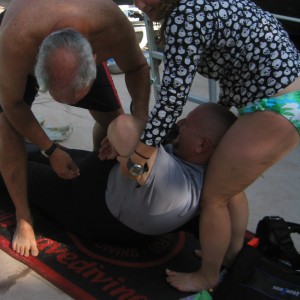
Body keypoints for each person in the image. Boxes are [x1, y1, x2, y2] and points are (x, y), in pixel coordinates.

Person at [101, 0, 300, 293]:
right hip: (279, 98)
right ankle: (230, 256)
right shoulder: (200, 4)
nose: (141, 5)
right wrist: (221, 114)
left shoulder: (185, 14)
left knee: (215, 197)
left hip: (275, 106)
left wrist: (141, 155)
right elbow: (238, 64)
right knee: (230, 186)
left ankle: (208, 276)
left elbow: (171, 99)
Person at [0, 0, 150, 257]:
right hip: (18, 39)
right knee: (5, 126)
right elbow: (12, 104)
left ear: (94, 58)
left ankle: (93, 179)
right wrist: (50, 149)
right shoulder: (17, 39)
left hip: (77, 41)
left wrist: (137, 122)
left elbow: (137, 67)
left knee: (115, 122)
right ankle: (24, 216)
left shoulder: (111, 24)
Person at [25, 103, 236, 244]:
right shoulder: (213, 174)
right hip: (106, 180)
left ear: (201, 145)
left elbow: (124, 127)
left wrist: (129, 160)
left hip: (83, 202)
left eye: (187, 123)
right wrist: (124, 151)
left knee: (22, 168)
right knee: (40, 152)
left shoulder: (174, 181)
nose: (180, 124)